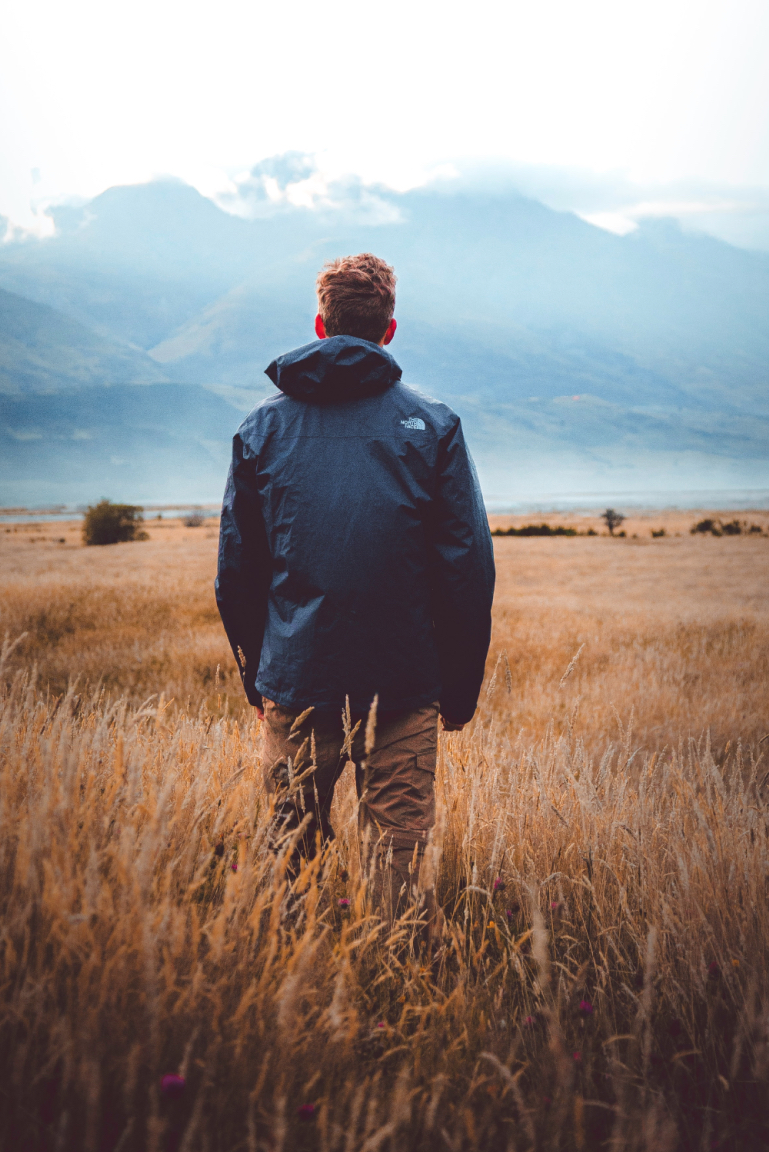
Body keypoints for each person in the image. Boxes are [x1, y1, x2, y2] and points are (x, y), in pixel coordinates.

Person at [216, 252, 494, 921]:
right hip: (404, 684)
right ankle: (397, 991)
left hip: (297, 680)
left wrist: (259, 678)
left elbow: (236, 574)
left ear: (319, 324)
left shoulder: (261, 429)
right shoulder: (433, 426)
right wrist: (455, 690)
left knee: (291, 851)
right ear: (389, 330)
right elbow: (468, 571)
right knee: (397, 859)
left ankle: (294, 987)